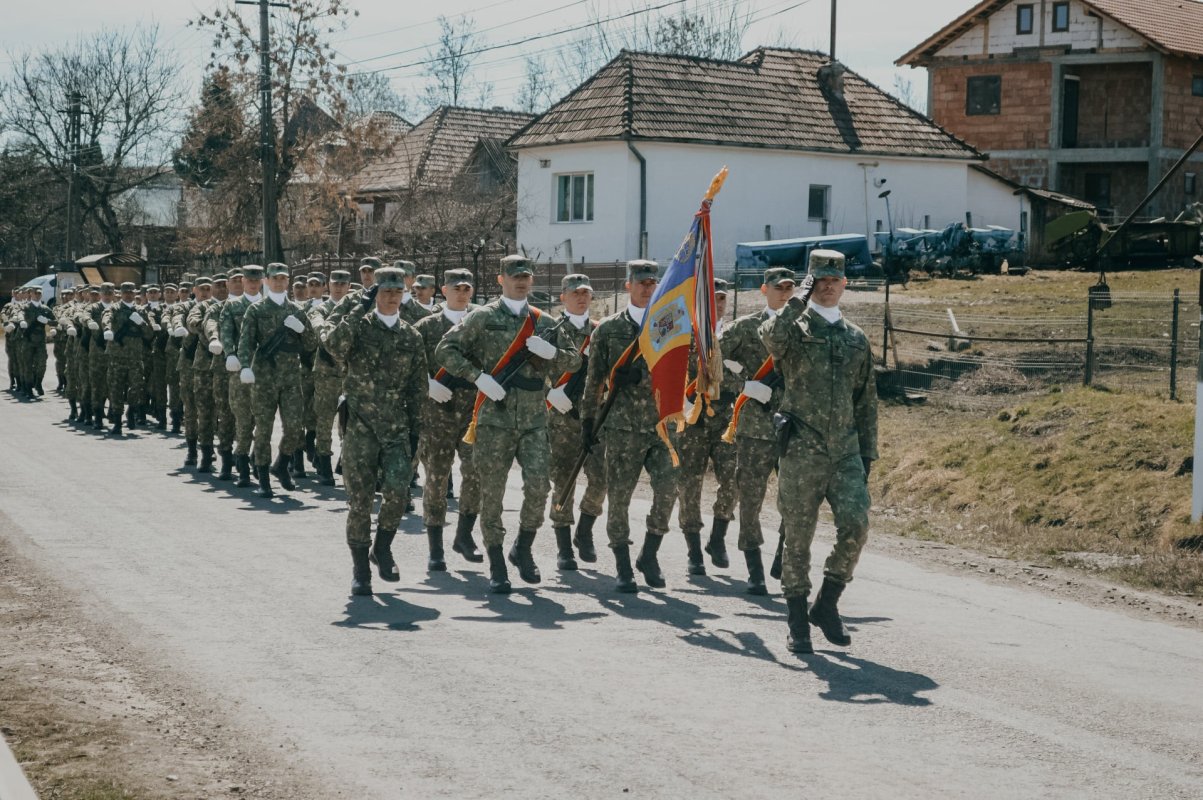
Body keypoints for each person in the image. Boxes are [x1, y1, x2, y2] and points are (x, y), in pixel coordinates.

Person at [435, 255, 580, 593]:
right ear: (501, 280)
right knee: (492, 493)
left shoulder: (544, 321)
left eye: (526, 276)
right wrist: (477, 377)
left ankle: (523, 548)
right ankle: (497, 561)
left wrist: (552, 353)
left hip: (534, 420)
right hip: (494, 419)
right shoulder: (483, 317)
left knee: (539, 488)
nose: (521, 281)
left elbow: (574, 361)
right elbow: (446, 350)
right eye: (515, 276)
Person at [759, 250, 878, 654]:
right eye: (819, 280)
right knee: (797, 537)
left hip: (845, 451)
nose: (827, 287)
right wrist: (798, 299)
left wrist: (867, 456)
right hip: (802, 449)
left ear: (844, 284)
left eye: (833, 280)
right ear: (810, 284)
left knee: (856, 525)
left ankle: (826, 604)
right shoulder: (794, 328)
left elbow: (866, 401)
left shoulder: (856, 338)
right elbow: (771, 337)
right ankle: (797, 621)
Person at [324, 266, 427, 596]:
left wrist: (416, 432)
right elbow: (332, 345)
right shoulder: (359, 327)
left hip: (396, 427)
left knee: (399, 491)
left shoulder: (411, 336)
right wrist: (360, 307)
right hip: (360, 427)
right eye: (385, 291)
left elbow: (417, 388)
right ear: (374, 293)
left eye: (398, 292)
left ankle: (382, 547)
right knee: (360, 501)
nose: (392, 297)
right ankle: (360, 570)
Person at [579, 260, 679, 593]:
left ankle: (649, 555)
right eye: (642, 283)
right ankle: (622, 563)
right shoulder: (608, 330)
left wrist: (644, 377)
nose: (648, 288)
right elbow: (594, 380)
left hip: (662, 424)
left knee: (668, 490)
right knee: (619, 496)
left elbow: (684, 368)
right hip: (623, 427)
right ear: (628, 286)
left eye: (652, 283)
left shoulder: (671, 325)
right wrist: (588, 422)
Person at [717, 268, 795, 595]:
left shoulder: (803, 328)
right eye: (779, 287)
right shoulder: (746, 327)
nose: (785, 293)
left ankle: (783, 554)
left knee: (796, 499)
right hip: (755, 428)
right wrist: (743, 385)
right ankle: (754, 569)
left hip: (793, 426)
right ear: (765, 290)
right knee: (750, 499)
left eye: (790, 288)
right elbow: (709, 359)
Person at [414, 268, 482, 570]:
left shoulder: (481, 323)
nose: (462, 293)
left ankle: (464, 535)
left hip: (472, 413)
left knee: (475, 473)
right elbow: (410, 363)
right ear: (444, 290)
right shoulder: (427, 326)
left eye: (466, 288)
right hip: (437, 413)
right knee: (437, 478)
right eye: (456, 288)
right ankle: (435, 548)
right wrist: (427, 384)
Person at [237, 263, 317, 498]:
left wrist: (303, 329)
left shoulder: (297, 310)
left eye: (283, 278)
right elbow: (246, 341)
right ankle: (263, 478)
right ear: (266, 281)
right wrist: (245, 366)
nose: (279, 282)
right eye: (275, 278)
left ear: (288, 281)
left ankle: (281, 463)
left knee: (294, 427)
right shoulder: (256, 310)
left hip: (291, 378)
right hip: (264, 378)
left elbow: (311, 344)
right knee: (263, 429)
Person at [675, 278, 738, 577]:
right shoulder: (684, 335)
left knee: (733, 480)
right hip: (693, 419)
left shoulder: (737, 333)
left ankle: (718, 538)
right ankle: (694, 549)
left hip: (726, 419)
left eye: (722, 298)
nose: (718, 304)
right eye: (712, 298)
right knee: (690, 484)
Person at [545, 273, 606, 570]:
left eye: (585, 293)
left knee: (601, 479)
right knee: (563, 482)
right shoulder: (552, 330)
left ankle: (584, 531)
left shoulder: (601, 331)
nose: (581, 298)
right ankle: (564, 546)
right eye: (575, 293)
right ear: (563, 297)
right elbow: (532, 368)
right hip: (561, 419)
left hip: (595, 418)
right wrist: (548, 392)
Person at [219, 266, 264, 488]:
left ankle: (258, 460)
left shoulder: (268, 306)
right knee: (243, 420)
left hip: (265, 372)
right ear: (243, 281)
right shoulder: (233, 305)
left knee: (262, 422)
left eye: (257, 280)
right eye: (249, 280)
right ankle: (242, 464)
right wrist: (229, 353)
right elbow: (226, 331)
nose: (253, 284)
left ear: (262, 281)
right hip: (240, 369)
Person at [305, 269, 349, 486]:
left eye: (343, 284)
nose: (338, 287)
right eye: (335, 283)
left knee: (351, 422)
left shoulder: (354, 309)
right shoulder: (321, 309)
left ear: (349, 286)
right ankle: (324, 463)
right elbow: (319, 328)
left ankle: (347, 462)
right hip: (327, 372)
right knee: (325, 419)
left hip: (351, 373)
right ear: (328, 286)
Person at [101, 281, 154, 435]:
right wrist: (107, 329)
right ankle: (117, 421)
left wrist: (141, 323)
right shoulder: (114, 308)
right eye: (126, 292)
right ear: (121, 294)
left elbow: (149, 334)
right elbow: (106, 319)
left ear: (135, 293)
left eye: (131, 292)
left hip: (136, 357)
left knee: (137, 387)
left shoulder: (141, 311)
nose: (129, 295)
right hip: (117, 356)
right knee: (116, 388)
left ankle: (131, 410)